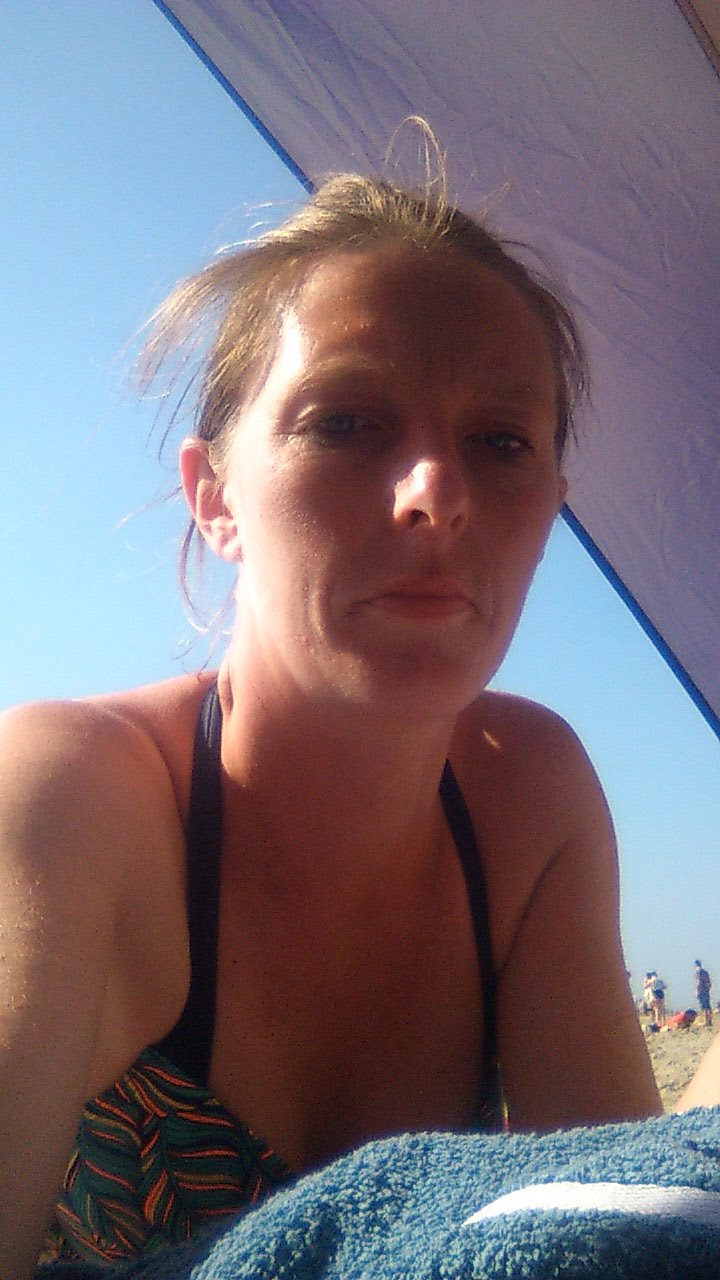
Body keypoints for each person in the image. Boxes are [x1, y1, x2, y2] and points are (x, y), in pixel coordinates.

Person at [0, 162, 661, 1279]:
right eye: (346, 421)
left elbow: (620, 1229)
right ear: (216, 498)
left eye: (502, 442)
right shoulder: (76, 795)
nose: (435, 490)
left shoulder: (527, 795)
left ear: (551, 505)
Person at [695, 960, 713, 1027]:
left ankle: (706, 1022)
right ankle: (709, 1021)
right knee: (708, 1006)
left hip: (702, 991)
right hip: (706, 990)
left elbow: (698, 983)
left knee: (704, 1007)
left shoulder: (699, 973)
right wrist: (708, 989)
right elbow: (709, 983)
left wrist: (697, 991)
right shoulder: (705, 972)